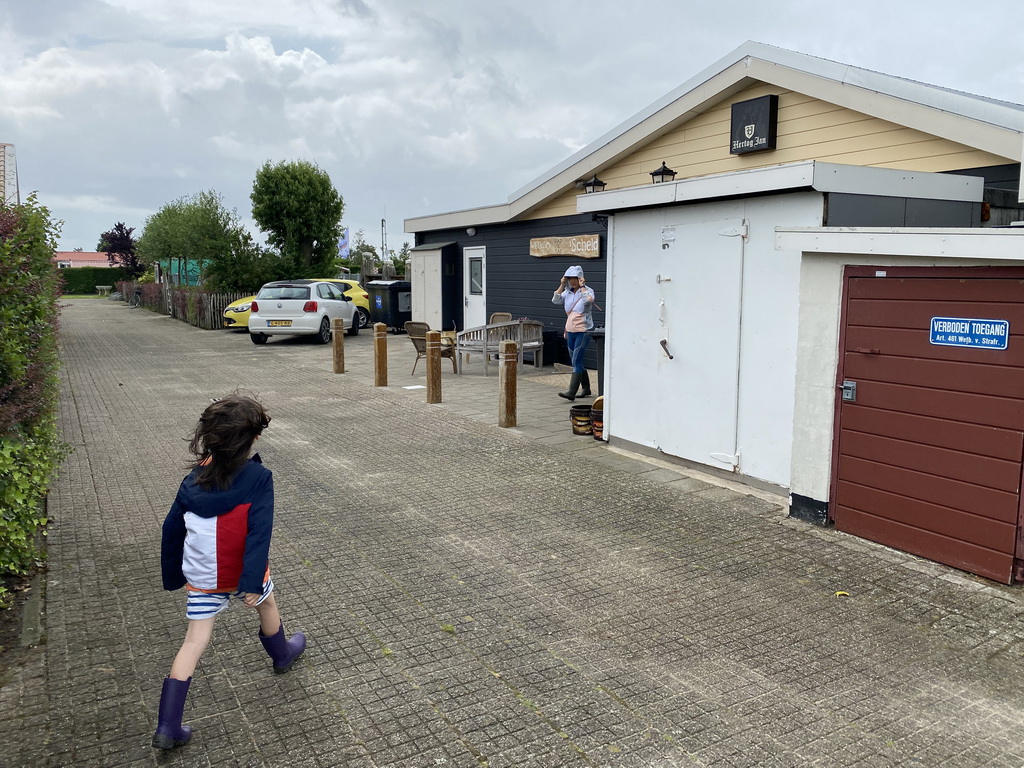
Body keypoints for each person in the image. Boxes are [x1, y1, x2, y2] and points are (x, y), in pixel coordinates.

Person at [151, 394, 306, 750]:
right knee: (267, 604)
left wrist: (175, 573)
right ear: (252, 438)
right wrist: (251, 582)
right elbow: (259, 531)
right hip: (241, 571)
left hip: (203, 575)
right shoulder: (258, 477)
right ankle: (282, 654)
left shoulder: (192, 480)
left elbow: (171, 527)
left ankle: (167, 725)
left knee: (194, 641)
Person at [552, 265, 596, 401]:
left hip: (583, 330)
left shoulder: (588, 291)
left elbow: (588, 301)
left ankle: (571, 392)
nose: (572, 281)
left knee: (576, 360)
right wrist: (561, 284)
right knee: (576, 360)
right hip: (570, 330)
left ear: (580, 278)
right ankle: (586, 388)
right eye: (569, 278)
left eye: (574, 278)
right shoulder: (568, 292)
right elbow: (555, 300)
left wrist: (582, 287)